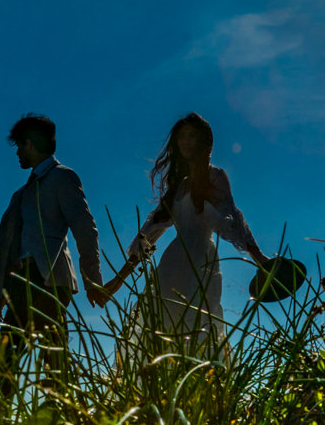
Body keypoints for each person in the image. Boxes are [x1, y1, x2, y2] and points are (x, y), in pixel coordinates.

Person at [101, 113, 273, 354]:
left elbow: (233, 221)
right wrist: (117, 281)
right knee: (163, 322)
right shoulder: (178, 186)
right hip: (172, 262)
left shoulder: (215, 177)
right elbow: (149, 234)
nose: (186, 142)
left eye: (192, 136)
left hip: (203, 262)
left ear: (206, 143)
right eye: (182, 137)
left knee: (200, 323)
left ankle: (203, 384)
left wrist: (261, 260)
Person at [0, 114, 106, 395]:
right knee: (34, 358)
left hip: (49, 279)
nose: (17, 152)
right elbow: (11, 244)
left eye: (19, 145)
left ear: (30, 144)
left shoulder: (62, 177)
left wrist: (92, 279)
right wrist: (1, 291)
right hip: (23, 280)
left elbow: (85, 229)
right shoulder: (23, 192)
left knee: (35, 358)